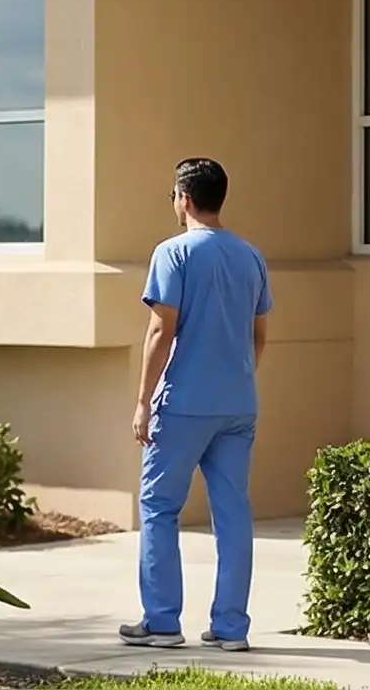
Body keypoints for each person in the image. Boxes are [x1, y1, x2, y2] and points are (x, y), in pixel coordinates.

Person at [120, 156, 271, 653]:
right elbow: (259, 335)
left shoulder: (173, 253)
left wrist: (143, 400)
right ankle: (231, 629)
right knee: (232, 514)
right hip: (238, 403)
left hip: (184, 402)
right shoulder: (250, 256)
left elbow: (161, 330)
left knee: (159, 507)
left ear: (183, 198)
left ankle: (162, 622)